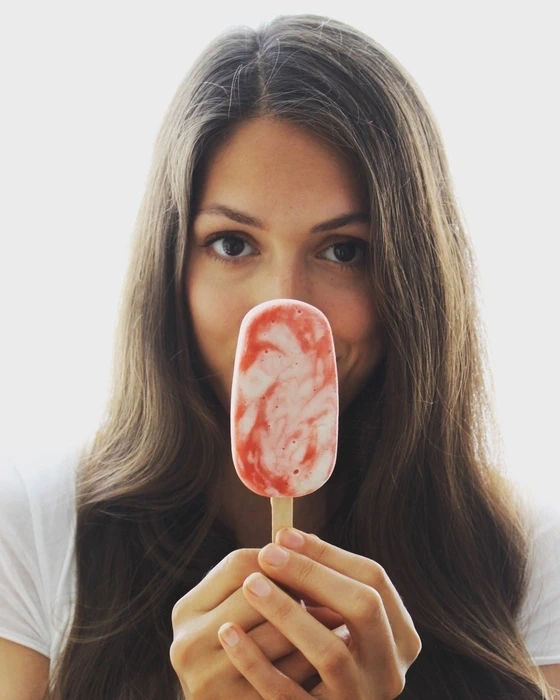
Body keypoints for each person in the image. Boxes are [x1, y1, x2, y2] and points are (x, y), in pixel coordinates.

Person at [1, 13, 559, 700]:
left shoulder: (531, 556)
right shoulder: (32, 531)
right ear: (170, 269)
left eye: (344, 250)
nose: (285, 308)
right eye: (233, 244)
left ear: (413, 279)